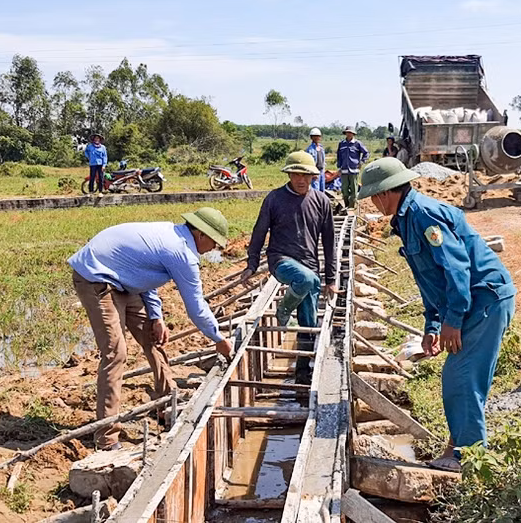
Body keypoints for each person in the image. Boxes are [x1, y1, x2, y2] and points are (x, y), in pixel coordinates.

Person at [357, 157, 517, 472]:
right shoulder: (405, 218)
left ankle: (468, 460)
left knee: (460, 377)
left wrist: (453, 322)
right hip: (473, 299)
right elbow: (430, 280)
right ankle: (459, 446)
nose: (374, 203)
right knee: (464, 376)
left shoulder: (424, 216)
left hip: (484, 298)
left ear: (387, 192)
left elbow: (457, 271)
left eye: (374, 196)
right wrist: (432, 325)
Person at [68, 207, 234, 450]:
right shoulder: (181, 251)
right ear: (200, 234)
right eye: (214, 243)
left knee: (152, 336)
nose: (214, 249)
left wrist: (156, 317)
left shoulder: (171, 235)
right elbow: (196, 306)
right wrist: (218, 338)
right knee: (116, 353)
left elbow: (142, 272)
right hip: (97, 277)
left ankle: (168, 403)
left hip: (124, 279)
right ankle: (106, 437)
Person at [241, 151, 337, 384]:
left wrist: (331, 279)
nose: (300, 179)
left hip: (310, 267)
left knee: (309, 325)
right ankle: (283, 311)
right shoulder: (274, 199)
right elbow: (259, 232)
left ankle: (302, 373)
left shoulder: (322, 201)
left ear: (314, 177)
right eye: (296, 174)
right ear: (289, 174)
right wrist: (252, 263)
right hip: (281, 260)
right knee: (306, 280)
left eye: (305, 175)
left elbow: (329, 241)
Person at [336, 126, 368, 209]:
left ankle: (351, 206)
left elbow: (366, 153)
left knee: (354, 189)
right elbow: (339, 156)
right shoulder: (342, 144)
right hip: (344, 170)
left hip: (354, 170)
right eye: (347, 132)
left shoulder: (357, 144)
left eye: (350, 133)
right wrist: (339, 167)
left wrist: (361, 162)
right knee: (344, 190)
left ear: (353, 134)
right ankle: (346, 205)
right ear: (345, 133)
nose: (349, 134)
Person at [305, 127, 326, 192]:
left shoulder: (321, 148)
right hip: (315, 172)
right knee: (315, 190)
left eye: (318, 136)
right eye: (315, 136)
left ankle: (321, 202)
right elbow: (308, 163)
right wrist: (312, 173)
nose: (317, 138)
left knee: (322, 190)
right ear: (311, 137)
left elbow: (323, 160)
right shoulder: (310, 149)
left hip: (321, 171)